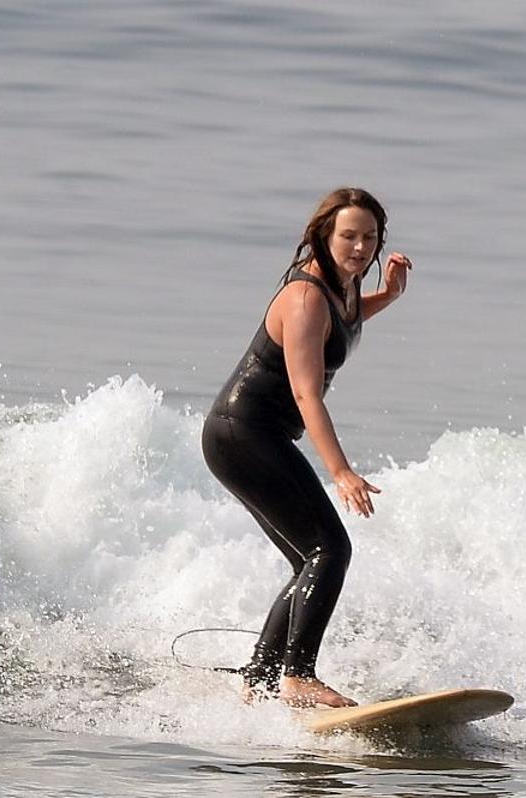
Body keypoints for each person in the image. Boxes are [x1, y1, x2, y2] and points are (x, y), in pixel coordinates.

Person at [202, 187, 411, 708]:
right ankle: (298, 675)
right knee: (330, 549)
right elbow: (305, 392)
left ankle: (261, 679)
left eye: (370, 237)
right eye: (348, 236)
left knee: (307, 559)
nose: (360, 247)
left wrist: (387, 295)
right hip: (243, 433)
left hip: (252, 435)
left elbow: (343, 321)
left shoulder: (337, 293)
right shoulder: (304, 297)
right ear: (323, 235)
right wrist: (340, 471)